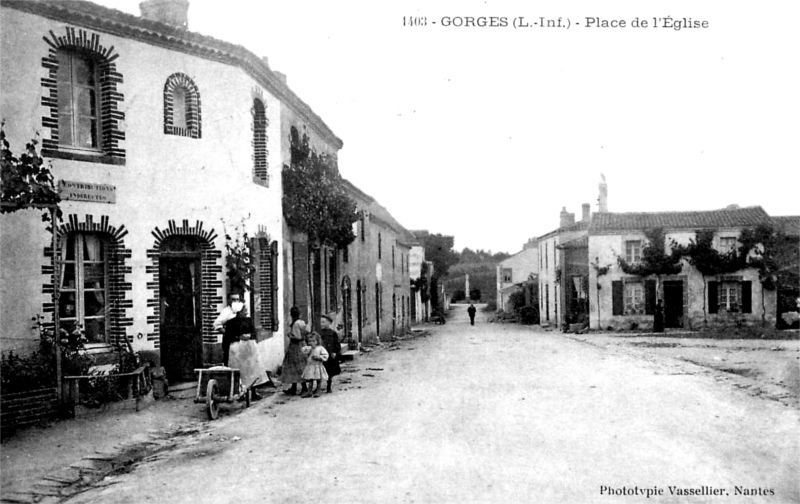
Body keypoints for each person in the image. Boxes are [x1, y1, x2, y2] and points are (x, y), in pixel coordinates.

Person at [224, 302, 268, 398]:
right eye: (244, 310)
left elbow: (254, 332)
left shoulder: (248, 320)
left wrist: (249, 336)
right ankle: (240, 393)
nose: (246, 312)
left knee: (252, 370)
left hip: (249, 348)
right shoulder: (231, 323)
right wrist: (239, 337)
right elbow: (228, 336)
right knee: (240, 371)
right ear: (239, 311)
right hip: (237, 350)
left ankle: (253, 391)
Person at [281, 306, 309, 396]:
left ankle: (303, 387)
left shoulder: (295, 324)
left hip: (296, 347)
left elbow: (298, 337)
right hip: (302, 345)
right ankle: (294, 388)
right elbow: (305, 333)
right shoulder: (302, 322)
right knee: (300, 366)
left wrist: (290, 335)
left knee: (295, 367)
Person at [213, 293, 244, 366]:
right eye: (233, 299)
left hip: (240, 341)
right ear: (229, 300)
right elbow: (216, 324)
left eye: (237, 299)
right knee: (230, 361)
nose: (235, 301)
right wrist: (227, 333)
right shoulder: (226, 311)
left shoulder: (240, 311)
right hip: (230, 341)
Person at [300, 332, 329, 398]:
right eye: (310, 341)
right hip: (310, 366)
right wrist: (308, 349)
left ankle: (318, 391)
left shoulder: (320, 348)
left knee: (318, 379)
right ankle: (309, 391)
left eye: (313, 341)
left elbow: (325, 355)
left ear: (317, 341)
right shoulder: (308, 348)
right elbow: (304, 352)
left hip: (317, 366)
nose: (311, 342)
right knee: (310, 379)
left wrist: (319, 357)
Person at [318, 314, 341, 393]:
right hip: (322, 355)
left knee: (330, 372)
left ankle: (329, 386)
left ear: (329, 323)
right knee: (320, 371)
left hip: (330, 355)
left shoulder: (333, 334)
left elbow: (337, 344)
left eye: (324, 322)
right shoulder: (319, 334)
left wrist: (335, 352)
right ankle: (318, 387)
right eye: (321, 322)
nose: (322, 324)